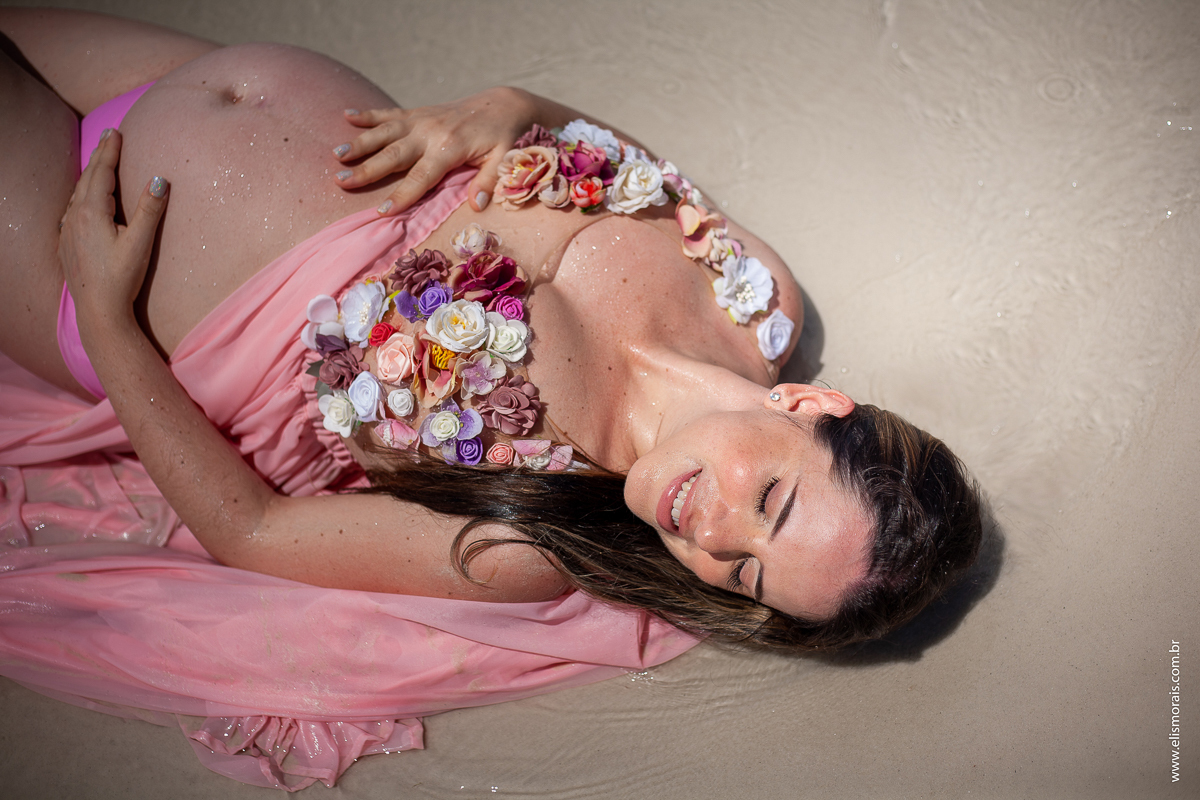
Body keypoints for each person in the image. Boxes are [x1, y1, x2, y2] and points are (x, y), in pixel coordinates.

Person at [0, 8, 981, 655]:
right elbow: (607, 158)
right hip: (214, 79)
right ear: (808, 405)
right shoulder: (754, 290)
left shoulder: (532, 534)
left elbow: (250, 530)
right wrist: (507, 110)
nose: (711, 536)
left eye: (746, 573)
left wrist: (103, 311)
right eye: (767, 500)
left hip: (91, 251)